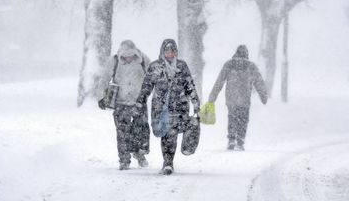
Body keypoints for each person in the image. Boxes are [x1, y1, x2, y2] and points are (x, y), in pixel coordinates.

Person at [135, 39, 200, 175]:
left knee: (175, 132)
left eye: (172, 52)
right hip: (161, 107)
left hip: (180, 106)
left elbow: (189, 85)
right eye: (167, 52)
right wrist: (140, 101)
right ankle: (168, 162)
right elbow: (146, 86)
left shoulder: (182, 66)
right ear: (162, 52)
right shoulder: (155, 67)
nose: (169, 55)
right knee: (167, 134)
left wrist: (195, 102)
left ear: (176, 52)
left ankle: (170, 161)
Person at [97, 40, 151, 170]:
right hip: (120, 103)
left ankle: (140, 154)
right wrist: (101, 97)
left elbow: (152, 78)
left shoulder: (143, 60)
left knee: (141, 131)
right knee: (122, 133)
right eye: (125, 56)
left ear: (135, 53)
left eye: (131, 56)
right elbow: (104, 79)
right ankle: (124, 160)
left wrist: (149, 93)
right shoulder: (114, 61)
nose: (128, 58)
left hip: (139, 102)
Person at [207, 45, 267, 151]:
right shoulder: (251, 66)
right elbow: (259, 82)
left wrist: (212, 97)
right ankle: (240, 140)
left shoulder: (229, 64)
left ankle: (231, 139)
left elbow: (219, 81)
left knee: (232, 117)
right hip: (245, 98)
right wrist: (263, 95)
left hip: (231, 98)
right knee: (243, 119)